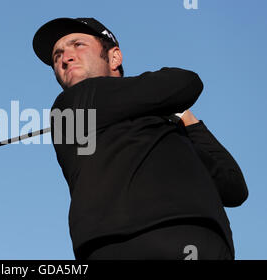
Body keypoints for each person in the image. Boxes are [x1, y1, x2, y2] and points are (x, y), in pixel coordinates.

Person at [32, 17, 248, 260]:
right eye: (57, 56)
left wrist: (189, 122)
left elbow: (233, 187)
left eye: (78, 45)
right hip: (141, 238)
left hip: (200, 239)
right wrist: (173, 109)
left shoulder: (165, 131)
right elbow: (185, 82)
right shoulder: (74, 103)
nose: (65, 57)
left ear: (114, 57)